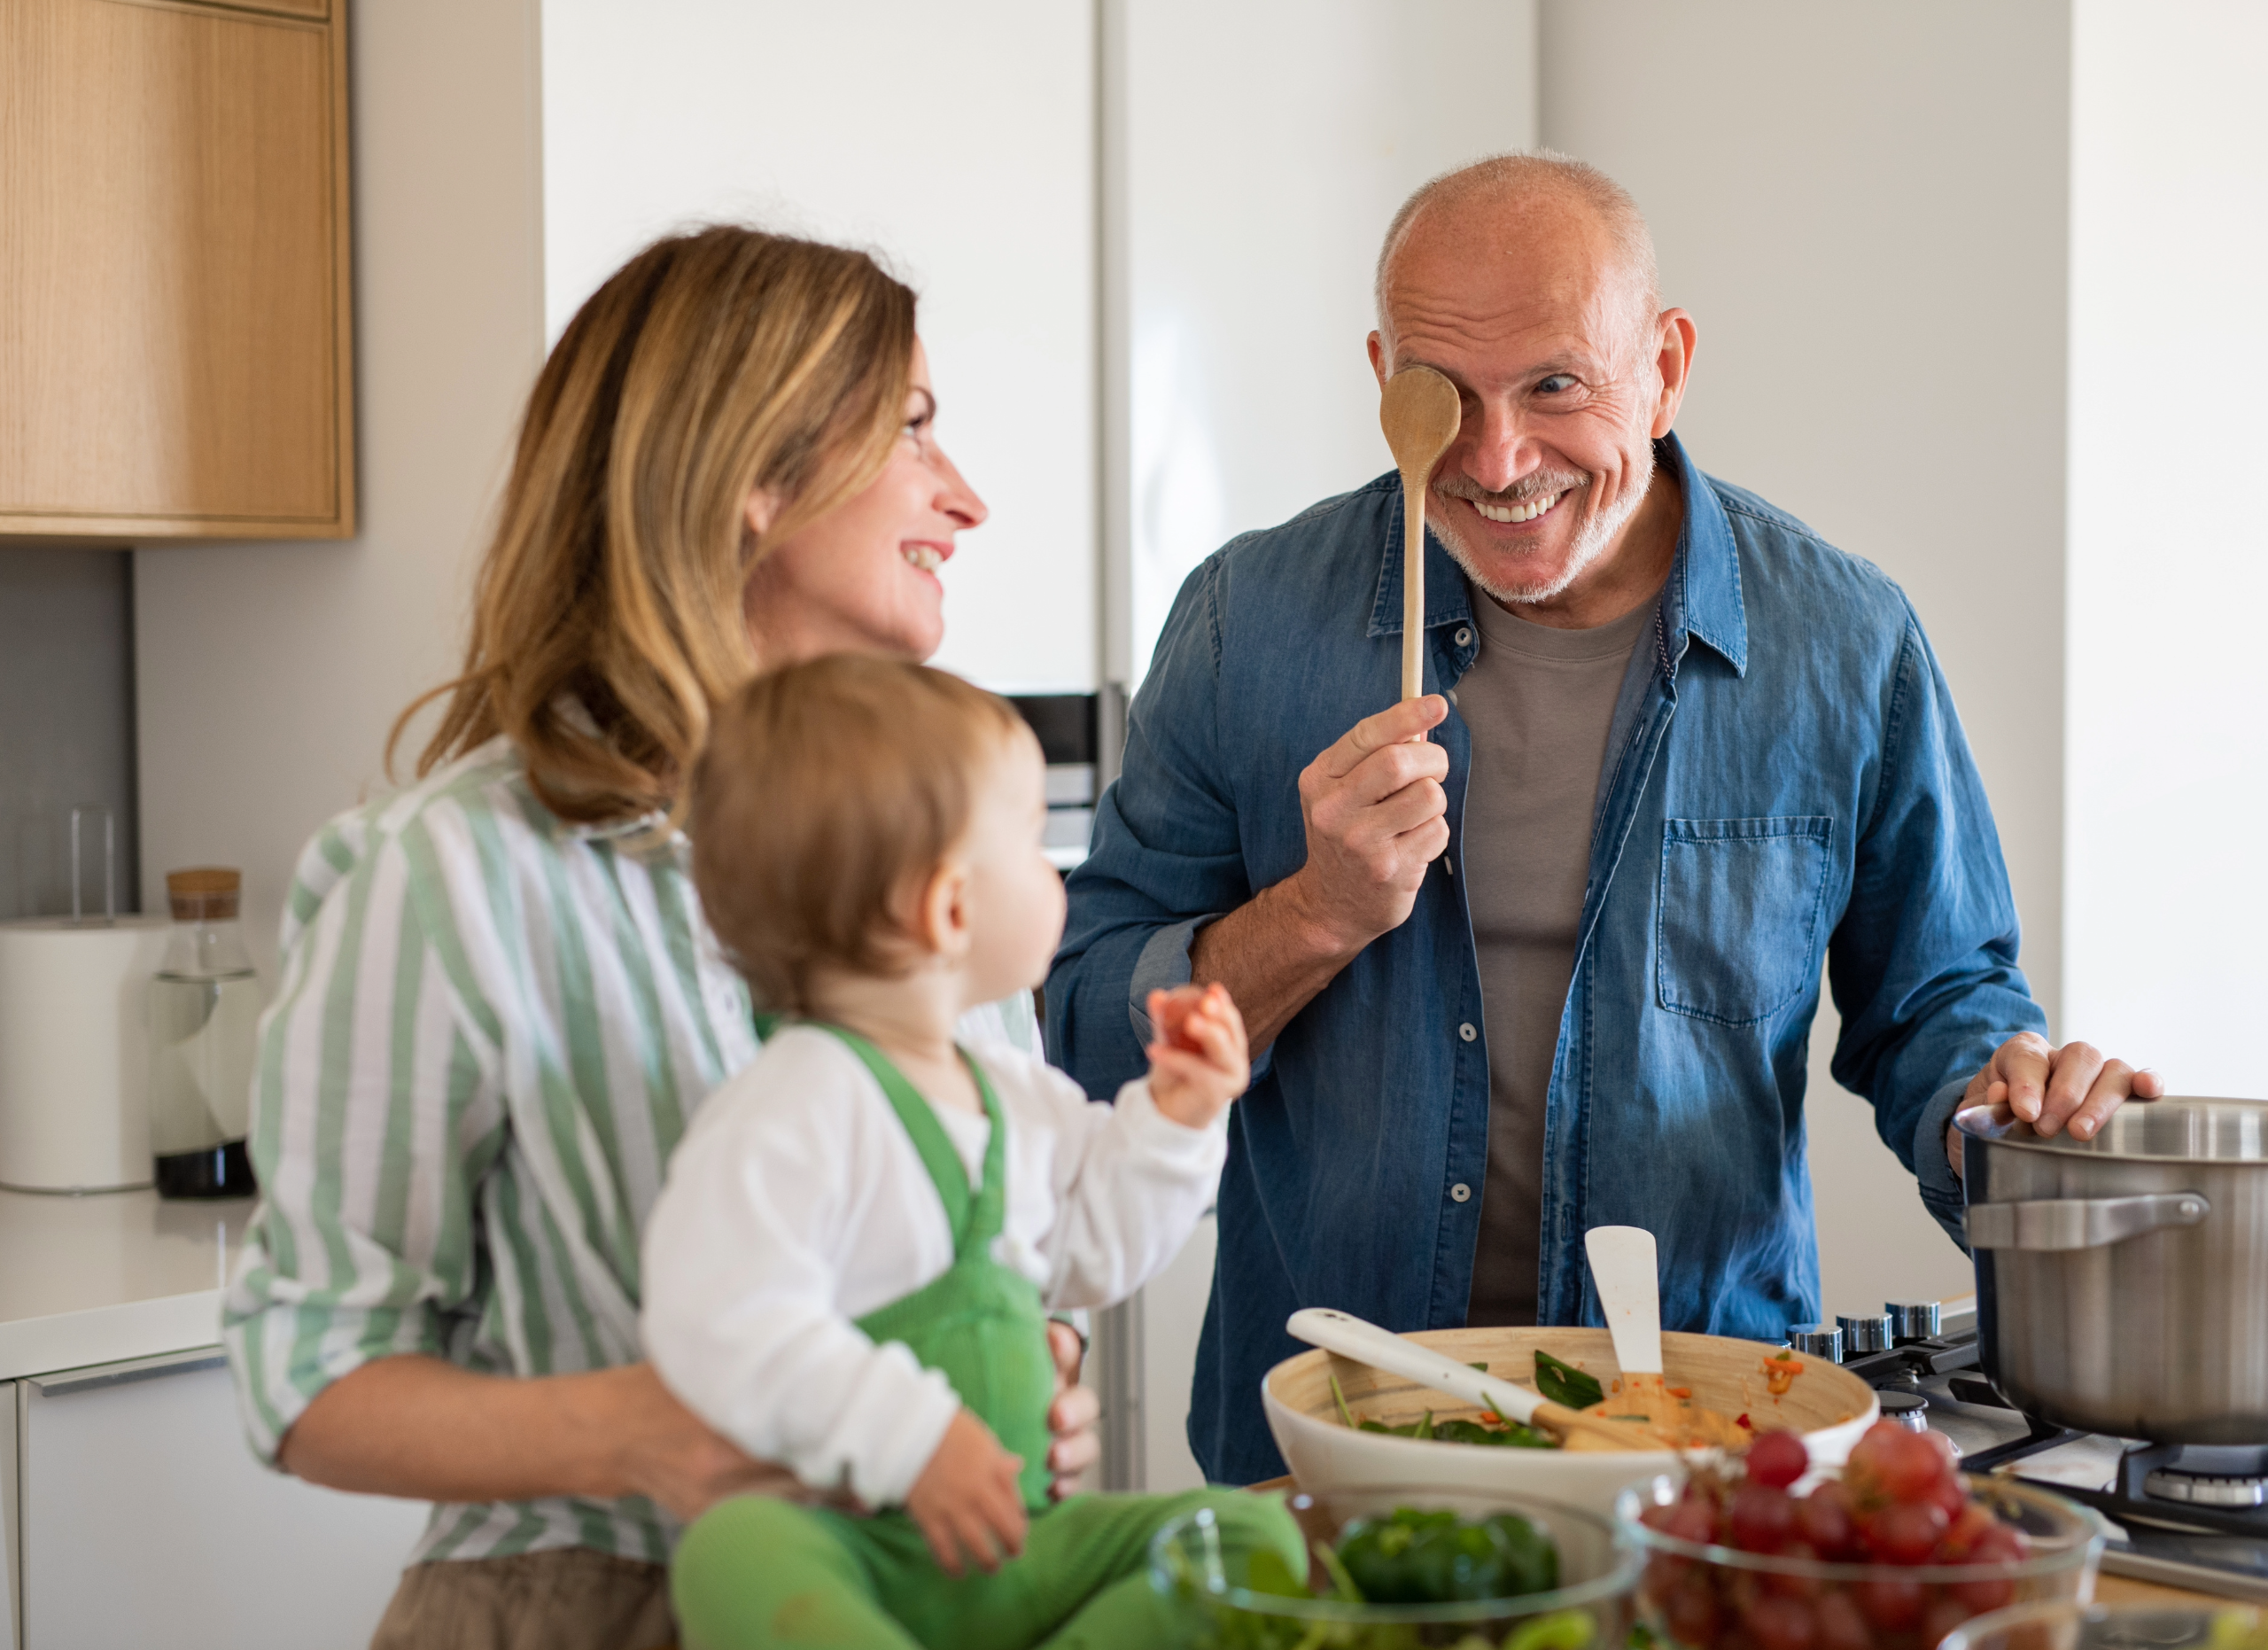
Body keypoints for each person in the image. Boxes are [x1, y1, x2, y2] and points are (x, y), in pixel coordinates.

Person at [1045, 152, 2163, 1486]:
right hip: (1324, 1452)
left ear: (1667, 364)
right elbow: (1086, 1030)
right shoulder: (1247, 622)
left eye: (1555, 386)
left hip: (1701, 1449)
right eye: (1441, 395)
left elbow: (1938, 1005)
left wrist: (2007, 1110)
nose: (1497, 457)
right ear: (1380, 372)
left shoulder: (1845, 639)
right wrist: (1317, 914)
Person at [222, 227, 1101, 1649]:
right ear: (757, 476)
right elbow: (304, 1373)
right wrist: (628, 1433)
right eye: (916, 430)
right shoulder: (452, 874)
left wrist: (1032, 1378)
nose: (969, 498)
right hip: (582, 1605)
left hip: (922, 1595)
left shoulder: (946, 851)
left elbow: (1000, 1240)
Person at [645, 655, 1300, 1649]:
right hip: (859, 1547)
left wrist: (1175, 1113)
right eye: (1036, 845)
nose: (1057, 873)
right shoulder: (794, 1103)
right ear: (950, 909)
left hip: (1017, 1544)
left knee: (1248, 1532)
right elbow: (722, 1320)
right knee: (732, 1550)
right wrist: (912, 1440)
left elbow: (1097, 1246)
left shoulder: (1009, 1092)